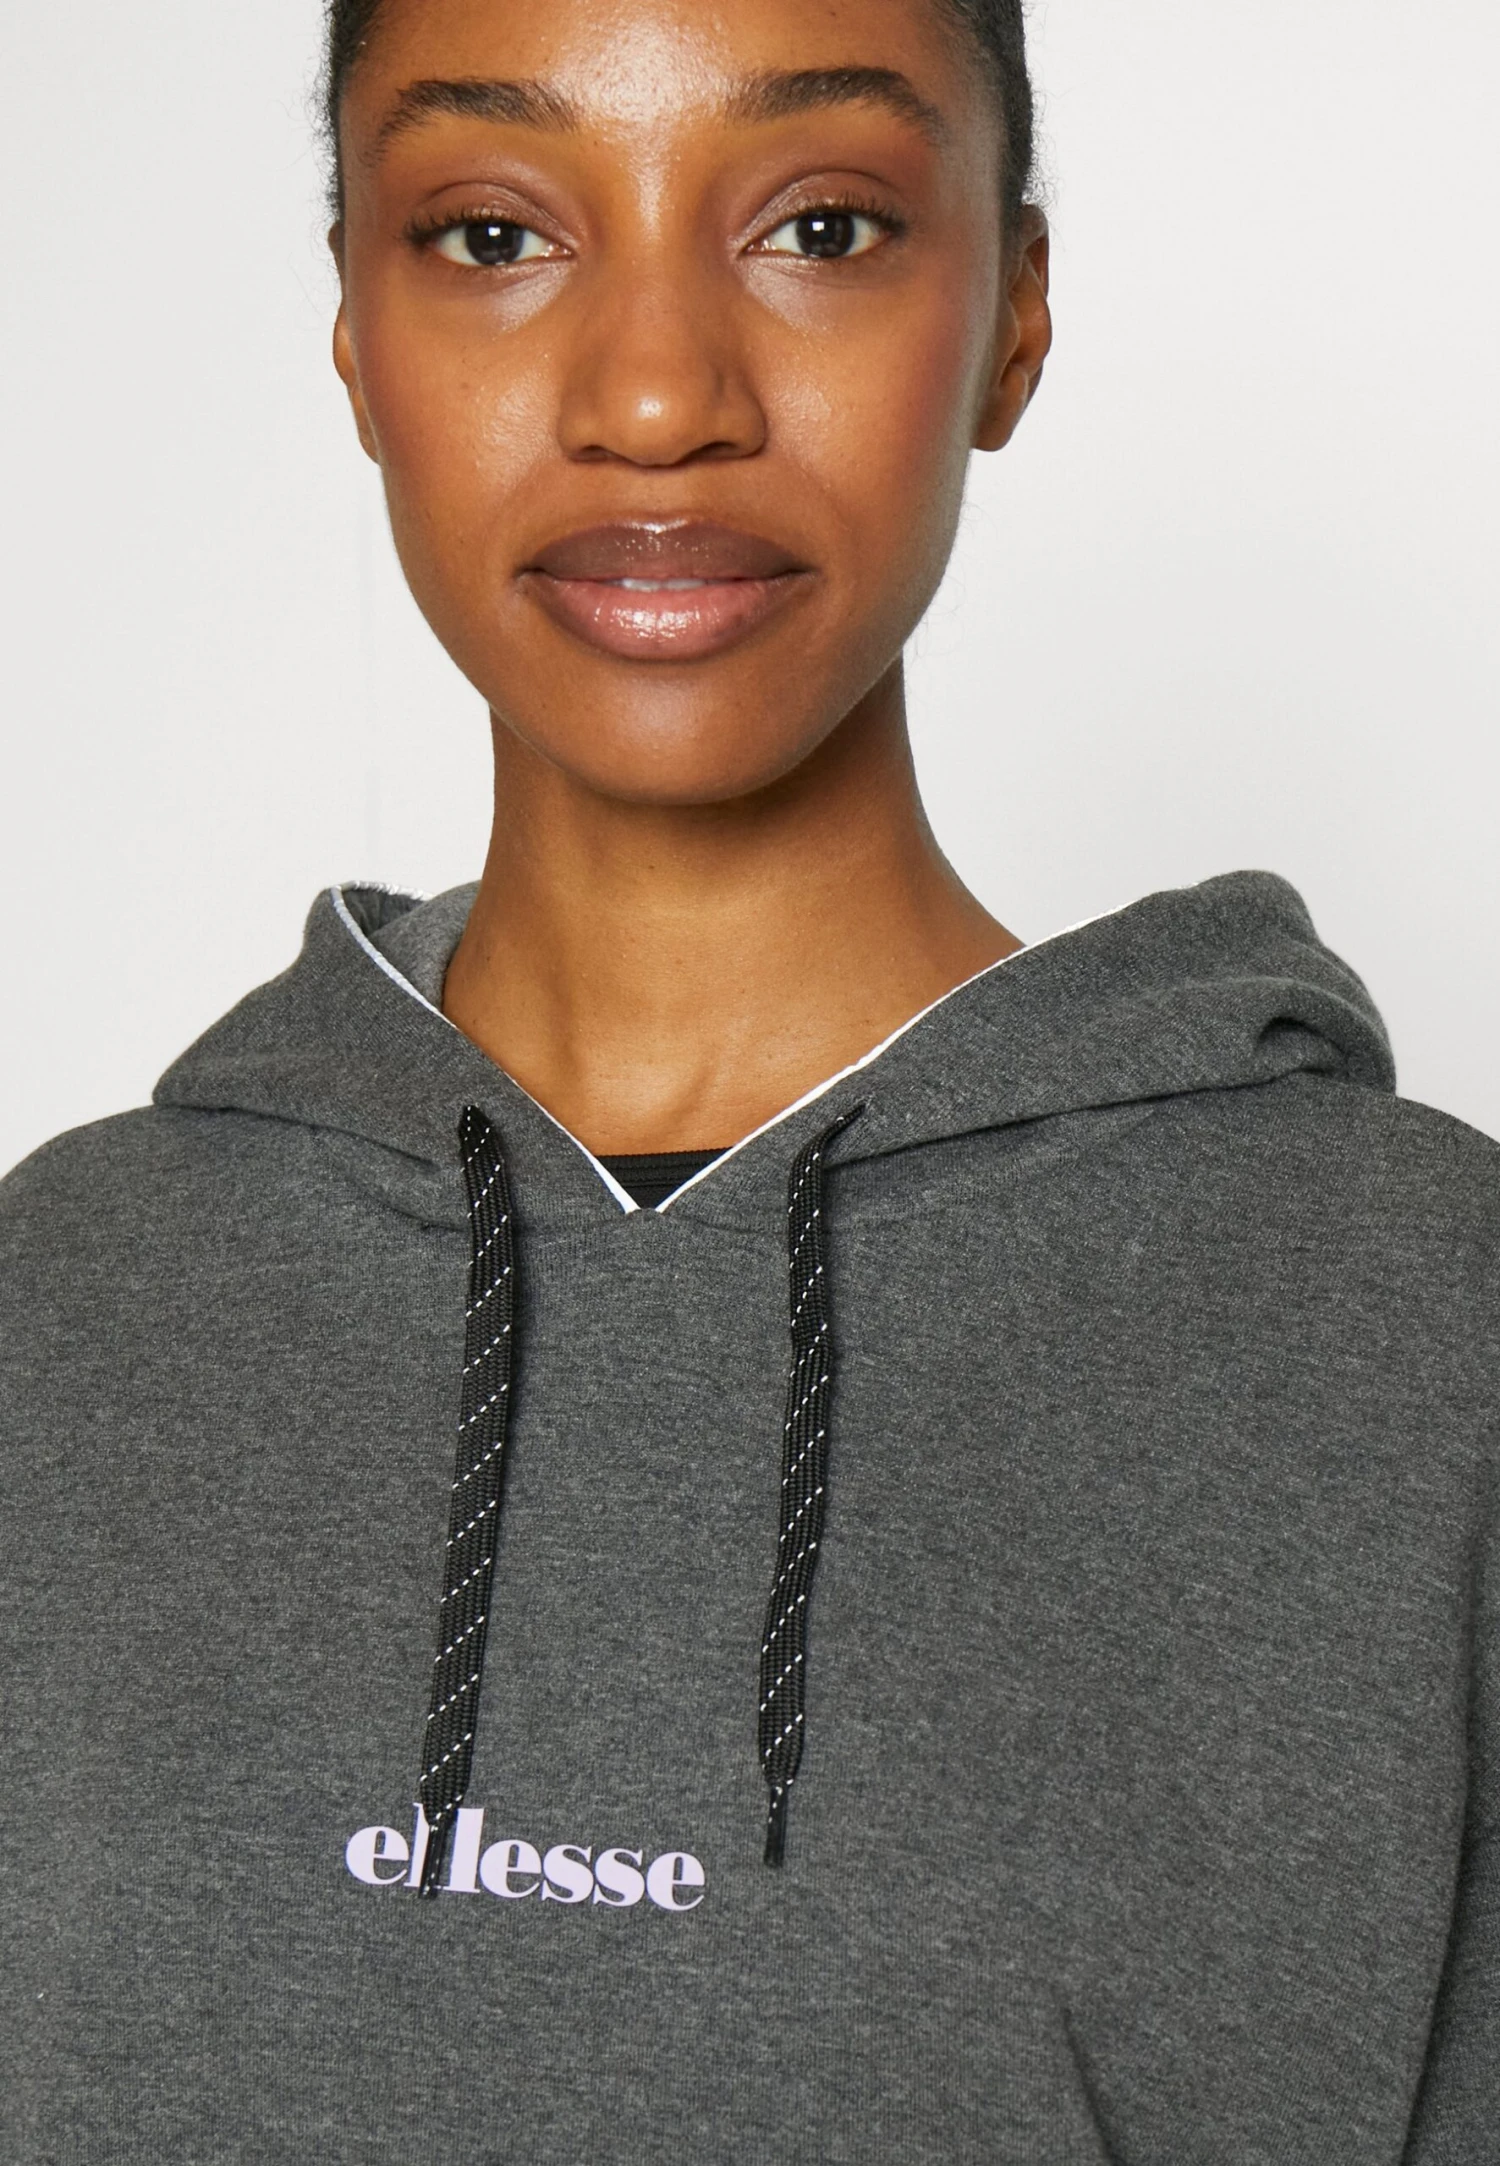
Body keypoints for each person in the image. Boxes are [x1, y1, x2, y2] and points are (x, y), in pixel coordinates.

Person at [2, 0, 1495, 2157]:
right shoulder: (60, 1310)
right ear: (353, 331)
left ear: (1013, 314)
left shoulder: (1419, 1327)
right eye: (493, 233)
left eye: (821, 223)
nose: (653, 398)